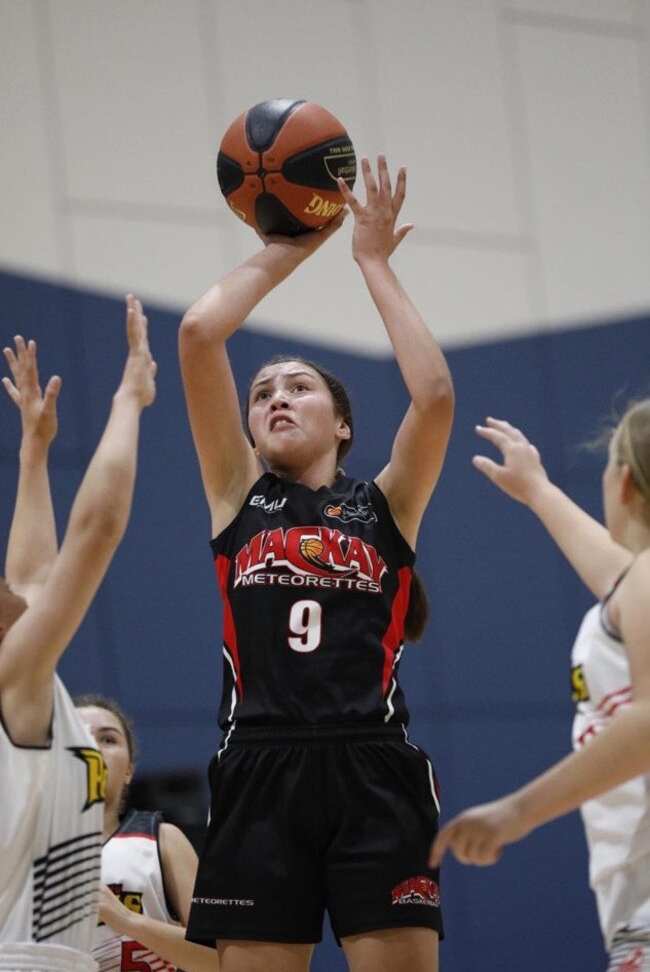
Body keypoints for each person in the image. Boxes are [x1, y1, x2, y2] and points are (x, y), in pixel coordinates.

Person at [178, 154, 454, 972]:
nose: (275, 400)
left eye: (298, 388)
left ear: (342, 425)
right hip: (260, 765)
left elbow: (434, 396)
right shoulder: (237, 494)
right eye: (262, 393)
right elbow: (198, 333)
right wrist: (295, 241)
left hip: (374, 765)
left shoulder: (385, 504)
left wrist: (371, 259)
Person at [430, 409, 650, 970]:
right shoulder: (637, 583)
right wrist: (537, 490)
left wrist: (517, 812)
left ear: (622, 481)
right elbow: (616, 577)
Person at [0, 297, 156, 972]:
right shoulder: (15, 685)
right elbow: (94, 534)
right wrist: (130, 398)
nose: (10, 588)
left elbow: (34, 575)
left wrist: (34, 456)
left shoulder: (25, 692)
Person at [74, 695, 220, 972]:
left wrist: (128, 921)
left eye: (107, 739)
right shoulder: (19, 850)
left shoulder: (161, 839)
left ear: (129, 771)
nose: (92, 746)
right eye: (77, 734)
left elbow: (220, 960)